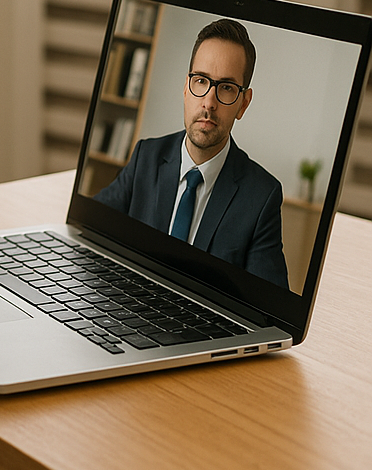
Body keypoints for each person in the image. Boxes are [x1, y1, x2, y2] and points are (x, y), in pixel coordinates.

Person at [94, 18, 289, 288]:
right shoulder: (146, 156)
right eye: (201, 81)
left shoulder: (262, 196)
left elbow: (268, 303)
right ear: (186, 88)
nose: (209, 102)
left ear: (243, 104)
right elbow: (90, 227)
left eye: (227, 88)